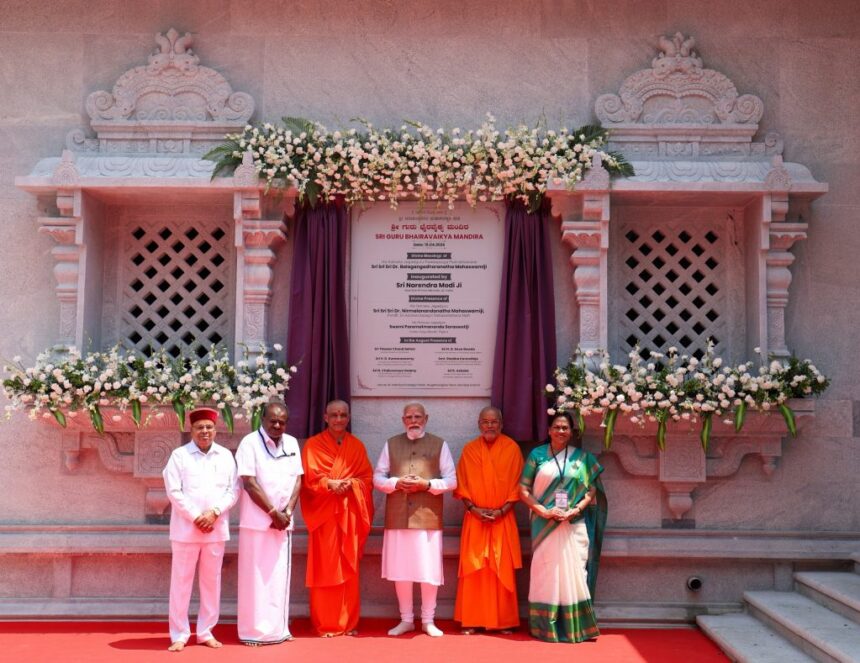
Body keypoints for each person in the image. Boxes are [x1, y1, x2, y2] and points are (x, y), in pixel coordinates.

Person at [519, 411, 607, 643]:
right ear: (548, 430)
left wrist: (575, 510)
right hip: (543, 524)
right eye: (556, 427)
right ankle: (544, 627)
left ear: (571, 432)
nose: (560, 431)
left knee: (575, 572)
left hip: (572, 524)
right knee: (545, 573)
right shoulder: (537, 455)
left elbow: (591, 491)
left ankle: (575, 627)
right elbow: (523, 491)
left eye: (565, 428)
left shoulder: (582, 458)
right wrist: (544, 511)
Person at [373, 402, 456, 637]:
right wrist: (395, 483)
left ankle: (428, 620)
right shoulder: (391, 444)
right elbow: (377, 477)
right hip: (398, 516)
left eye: (418, 416)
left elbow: (452, 481)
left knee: (428, 570)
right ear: (403, 420)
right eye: (409, 417)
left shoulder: (439, 444)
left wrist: (427, 485)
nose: (413, 420)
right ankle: (406, 619)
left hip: (427, 517)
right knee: (401, 570)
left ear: (426, 418)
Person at [163, 406, 239, 652]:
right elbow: (174, 491)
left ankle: (206, 631)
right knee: (181, 582)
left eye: (209, 427)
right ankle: (179, 633)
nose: (204, 431)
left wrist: (214, 512)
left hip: (215, 530)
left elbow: (233, 490)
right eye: (199, 427)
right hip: (186, 530)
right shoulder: (179, 456)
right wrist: (196, 516)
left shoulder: (226, 456)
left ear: (215, 430)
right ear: (191, 430)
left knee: (211, 582)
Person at [301, 400, 374, 637]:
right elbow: (309, 481)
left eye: (343, 415)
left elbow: (367, 479)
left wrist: (352, 484)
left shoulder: (357, 446)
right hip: (325, 517)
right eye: (334, 415)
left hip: (348, 517)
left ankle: (349, 623)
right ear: (325, 417)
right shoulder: (313, 445)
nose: (339, 419)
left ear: (349, 417)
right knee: (326, 568)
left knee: (349, 569)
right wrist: (329, 483)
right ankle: (327, 623)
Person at [234, 402, 303, 646]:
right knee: (255, 578)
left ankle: (277, 629)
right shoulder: (249, 443)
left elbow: (297, 480)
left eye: (281, 422)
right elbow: (249, 483)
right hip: (257, 522)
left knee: (278, 577)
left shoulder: (292, 443)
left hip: (282, 523)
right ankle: (252, 631)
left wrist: (287, 512)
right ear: (262, 419)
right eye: (272, 420)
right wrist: (273, 513)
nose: (277, 425)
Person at [454, 406, 523, 634]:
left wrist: (502, 510)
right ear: (479, 424)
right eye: (486, 421)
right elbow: (461, 485)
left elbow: (518, 486)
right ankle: (473, 620)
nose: (490, 426)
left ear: (501, 424)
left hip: (503, 519)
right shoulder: (469, 450)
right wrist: (473, 509)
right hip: (475, 519)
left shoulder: (512, 449)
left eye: (494, 422)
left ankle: (503, 621)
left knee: (499, 569)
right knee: (476, 570)